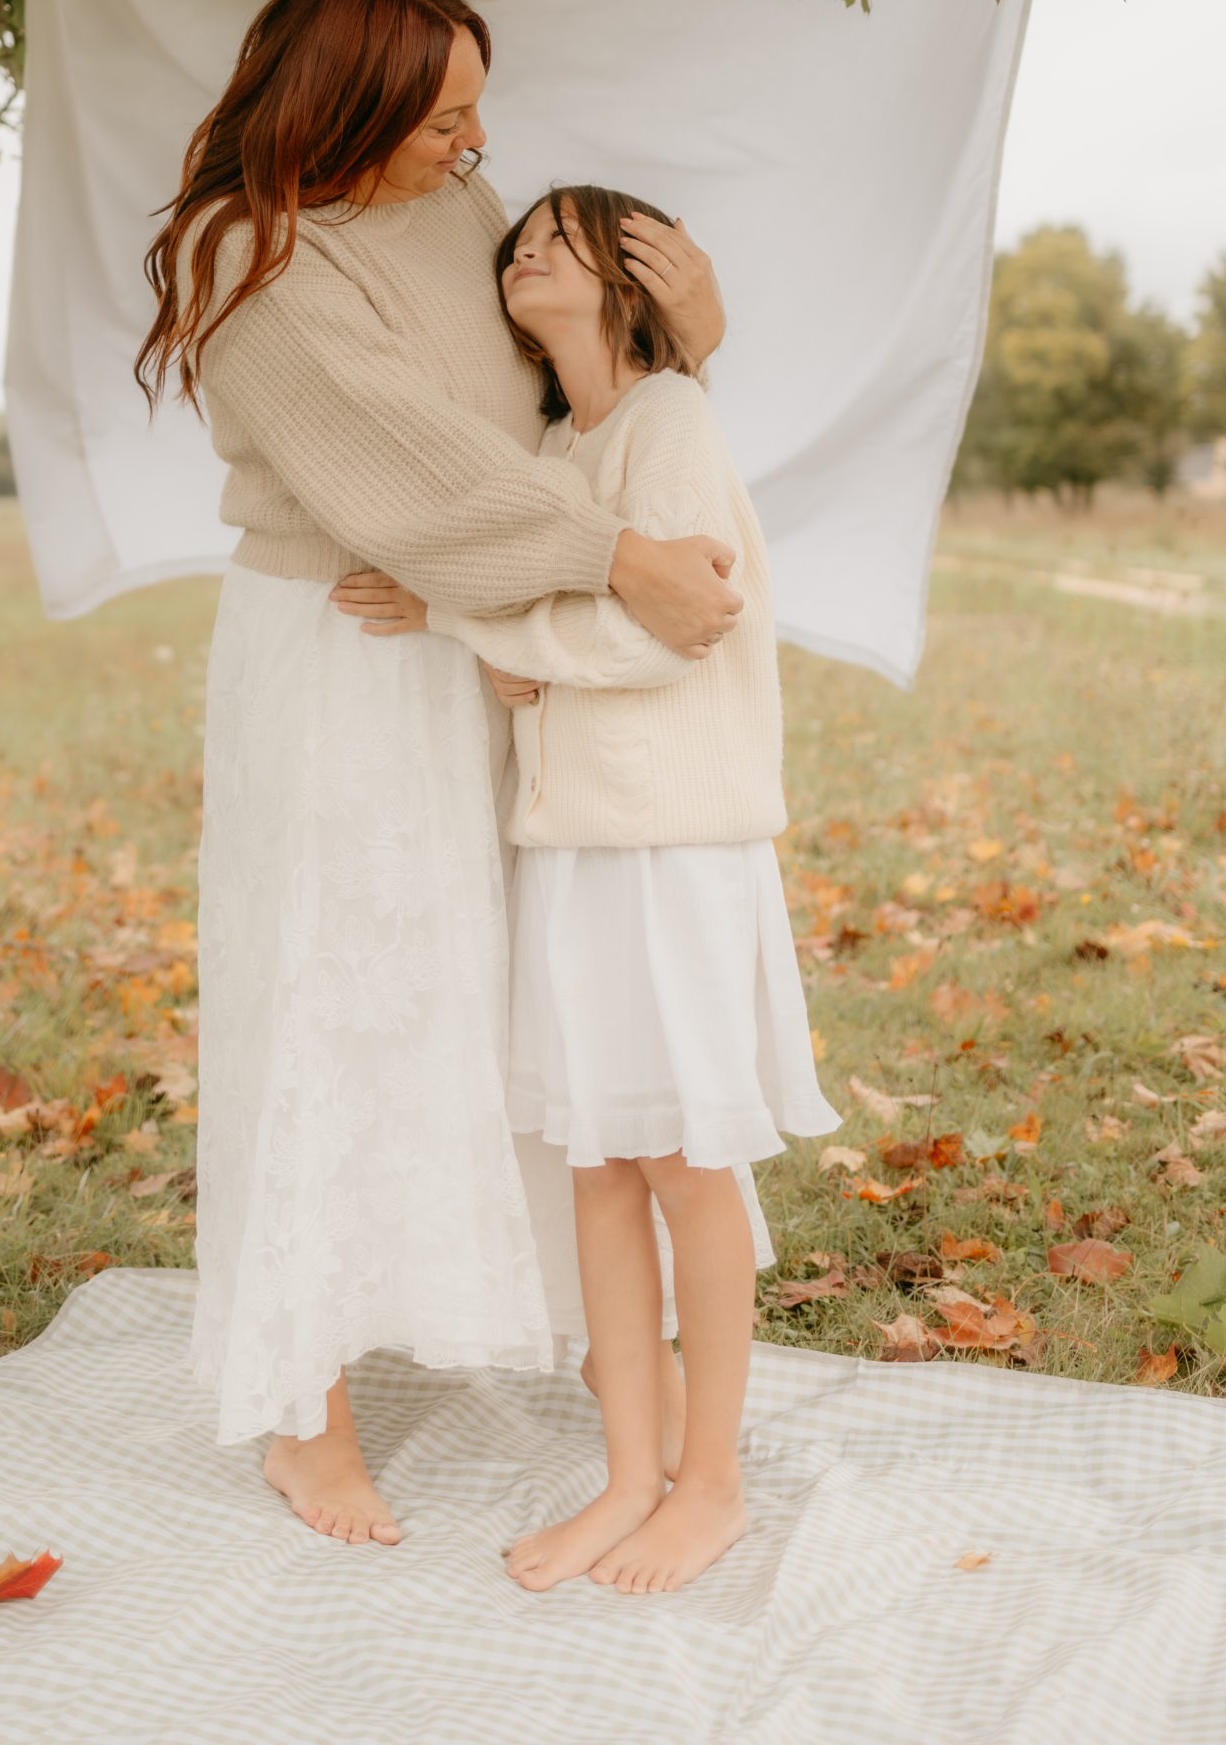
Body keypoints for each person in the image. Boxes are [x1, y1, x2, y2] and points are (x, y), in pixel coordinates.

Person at [136, 0, 741, 1547]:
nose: (477, 146)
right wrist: (617, 560)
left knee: (478, 986)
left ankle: (508, 1313)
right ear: (348, 100)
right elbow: (407, 465)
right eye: (444, 117)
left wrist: (692, 335)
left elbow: (557, 400)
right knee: (330, 996)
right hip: (344, 650)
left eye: (478, 111)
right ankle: (303, 1413)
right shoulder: (248, 249)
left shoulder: (452, 204)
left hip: (477, 624)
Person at [349, 185, 839, 1594]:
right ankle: (630, 1474)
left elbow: (673, 630)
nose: (528, 256)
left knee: (685, 1166)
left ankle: (711, 1485)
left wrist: (478, 626)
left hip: (671, 852)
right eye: (520, 244)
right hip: (570, 847)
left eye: (562, 240)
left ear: (630, 274)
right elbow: (573, 631)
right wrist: (518, 646)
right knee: (599, 1166)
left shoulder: (670, 420)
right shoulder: (559, 447)